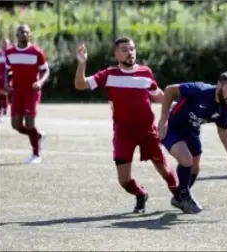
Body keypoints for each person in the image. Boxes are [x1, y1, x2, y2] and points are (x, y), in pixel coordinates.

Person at [74, 37, 178, 214]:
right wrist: (82, 63)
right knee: (124, 180)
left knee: (165, 170)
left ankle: (181, 194)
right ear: (116, 54)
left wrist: (176, 106)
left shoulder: (146, 72)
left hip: (147, 131)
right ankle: (140, 193)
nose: (130, 52)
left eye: (132, 49)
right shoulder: (109, 74)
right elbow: (80, 84)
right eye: (124, 49)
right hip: (123, 133)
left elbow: (159, 95)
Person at [157, 72, 227, 214]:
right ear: (219, 85)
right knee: (186, 160)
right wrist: (163, 120)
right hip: (172, 128)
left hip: (192, 133)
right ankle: (185, 196)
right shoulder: (200, 90)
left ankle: (179, 197)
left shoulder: (224, 109)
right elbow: (169, 90)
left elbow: (222, 131)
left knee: (195, 168)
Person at [5, 24, 49, 164]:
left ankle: (36, 154)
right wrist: (7, 83)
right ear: (16, 35)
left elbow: (46, 71)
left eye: (27, 32)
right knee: (16, 125)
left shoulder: (36, 52)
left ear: (29, 35)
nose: (24, 34)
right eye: (21, 32)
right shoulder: (10, 52)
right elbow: (7, 71)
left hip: (32, 91)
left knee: (30, 122)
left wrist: (40, 82)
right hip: (17, 91)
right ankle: (38, 135)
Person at [0, 39, 11, 122]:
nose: (5, 45)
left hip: (7, 77)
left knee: (5, 94)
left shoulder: (10, 54)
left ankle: (5, 110)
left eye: (6, 43)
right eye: (3, 43)